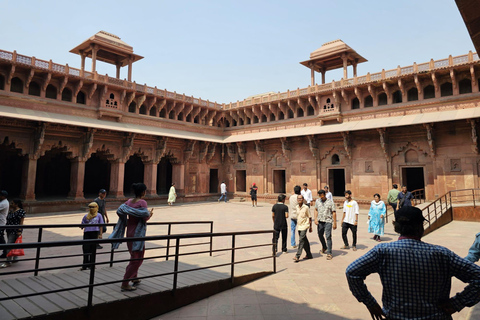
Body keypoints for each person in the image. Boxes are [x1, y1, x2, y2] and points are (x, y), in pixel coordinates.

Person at [346, 206, 480, 320]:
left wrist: (370, 303)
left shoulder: (383, 251)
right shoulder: (442, 254)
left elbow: (352, 272)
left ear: (396, 227)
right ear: (420, 226)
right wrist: (457, 303)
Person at [109, 183, 154, 291]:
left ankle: (134, 276)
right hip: (137, 233)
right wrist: (149, 215)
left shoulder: (128, 202)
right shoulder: (142, 202)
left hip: (129, 231)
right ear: (143, 192)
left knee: (134, 254)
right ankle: (125, 282)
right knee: (137, 258)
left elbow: (121, 210)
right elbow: (144, 217)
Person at [0, 199, 26, 268]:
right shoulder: (11, 211)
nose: (11, 204)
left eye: (12, 203)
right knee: (13, 244)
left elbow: (21, 222)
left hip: (15, 231)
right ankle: (15, 258)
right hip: (9, 230)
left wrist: (19, 231)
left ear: (16, 204)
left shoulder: (21, 211)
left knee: (9, 245)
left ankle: (8, 262)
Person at [79, 202, 104, 271]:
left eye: (93, 207)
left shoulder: (99, 215)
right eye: (90, 207)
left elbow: (101, 225)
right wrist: (81, 226)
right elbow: (82, 224)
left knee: (92, 249)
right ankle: (85, 265)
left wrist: (100, 234)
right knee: (86, 248)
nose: (91, 209)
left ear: (96, 208)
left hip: (94, 233)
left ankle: (91, 265)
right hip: (87, 233)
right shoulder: (86, 216)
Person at [314, 189, 337, 260]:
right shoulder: (317, 201)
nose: (321, 197)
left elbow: (333, 212)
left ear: (325, 194)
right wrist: (315, 219)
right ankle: (324, 246)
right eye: (319, 195)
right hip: (320, 221)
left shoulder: (330, 202)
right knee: (320, 235)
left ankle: (329, 253)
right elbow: (315, 209)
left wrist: (334, 223)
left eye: (322, 195)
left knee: (328, 236)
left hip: (328, 221)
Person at [293, 194, 313, 262]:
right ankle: (309, 254)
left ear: (303, 199)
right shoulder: (296, 207)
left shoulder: (306, 207)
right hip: (299, 226)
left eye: (301, 198)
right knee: (304, 241)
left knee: (301, 240)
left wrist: (310, 227)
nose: (299, 200)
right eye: (298, 199)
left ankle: (297, 255)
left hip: (305, 225)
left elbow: (310, 217)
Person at [0, 190, 9, 259]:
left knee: (1, 238)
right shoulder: (3, 202)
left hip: (1, 223)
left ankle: (5, 252)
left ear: (4, 196)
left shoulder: (3, 203)